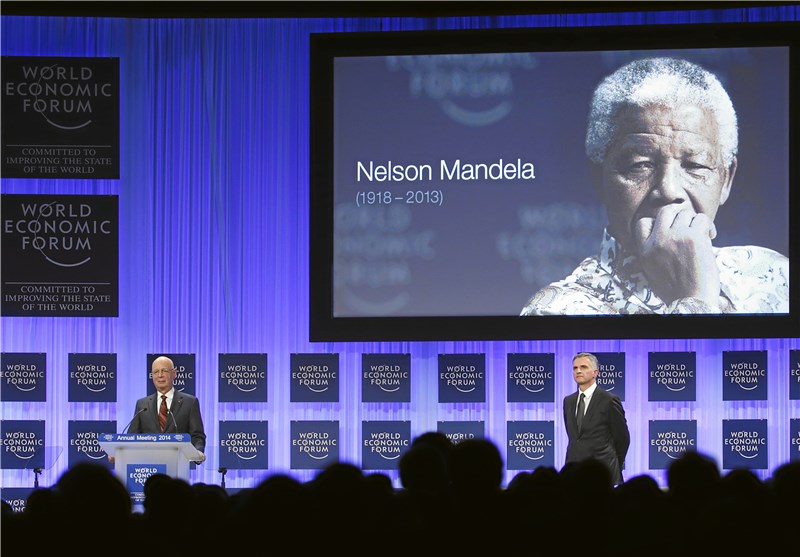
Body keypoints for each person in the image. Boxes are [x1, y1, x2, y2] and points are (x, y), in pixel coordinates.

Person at [521, 57, 789, 316]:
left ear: (726, 180)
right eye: (640, 165)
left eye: (695, 165)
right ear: (599, 177)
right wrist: (694, 301)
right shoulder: (558, 311)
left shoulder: (774, 277)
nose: (669, 190)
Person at [563, 352, 629, 485]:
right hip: (574, 473)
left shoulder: (609, 400)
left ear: (595, 373)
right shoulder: (568, 401)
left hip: (602, 473)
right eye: (575, 368)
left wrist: (614, 464)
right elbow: (574, 437)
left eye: (583, 367)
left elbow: (622, 438)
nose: (578, 371)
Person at [127, 355, 206, 462]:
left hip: (178, 463)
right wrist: (121, 454)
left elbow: (197, 436)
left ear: (174, 373)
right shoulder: (142, 404)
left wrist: (198, 452)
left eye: (164, 371)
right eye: (156, 372)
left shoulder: (190, 402)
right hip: (149, 464)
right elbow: (132, 437)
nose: (160, 375)